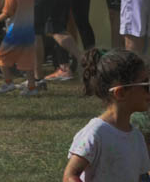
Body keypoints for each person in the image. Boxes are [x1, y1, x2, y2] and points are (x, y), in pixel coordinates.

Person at [63, 49, 150, 182]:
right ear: (120, 93)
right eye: (145, 85)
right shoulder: (95, 134)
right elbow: (70, 175)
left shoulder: (137, 137)